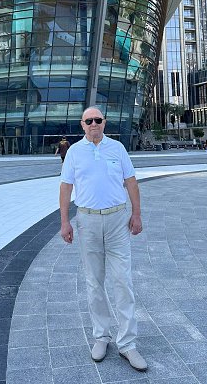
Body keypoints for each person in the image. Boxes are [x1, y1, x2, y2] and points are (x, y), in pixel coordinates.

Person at [59, 106, 147, 372]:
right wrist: (64, 221)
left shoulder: (117, 148)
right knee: (94, 282)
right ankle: (101, 336)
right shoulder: (74, 152)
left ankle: (127, 343)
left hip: (117, 220)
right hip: (87, 221)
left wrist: (136, 214)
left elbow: (131, 182)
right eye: (89, 121)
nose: (94, 124)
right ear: (82, 125)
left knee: (122, 280)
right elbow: (66, 187)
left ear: (104, 122)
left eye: (98, 120)